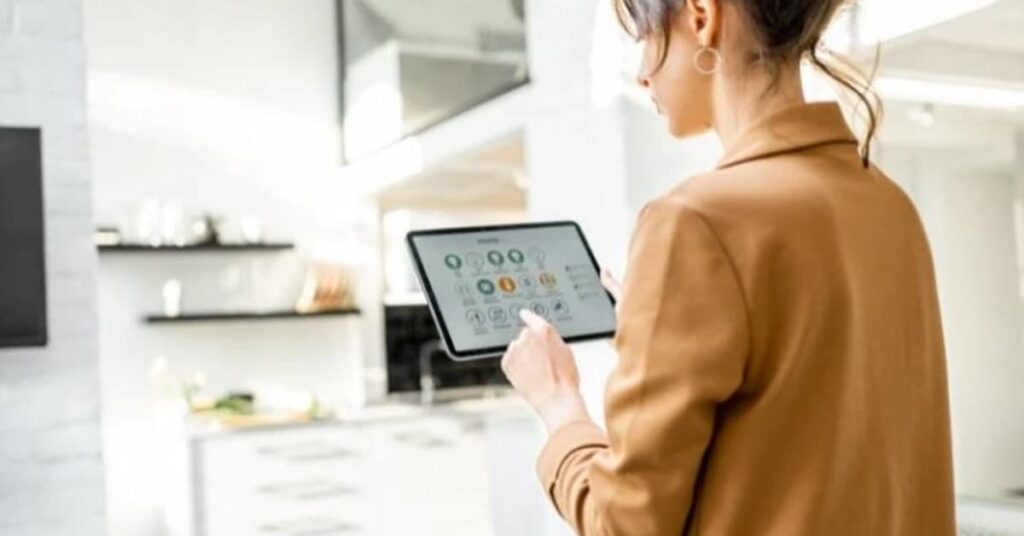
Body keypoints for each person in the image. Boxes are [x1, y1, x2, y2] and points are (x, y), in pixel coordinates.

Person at [500, 0, 957, 534]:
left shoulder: (693, 222)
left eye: (646, 37)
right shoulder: (890, 205)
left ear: (701, 15)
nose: (643, 73)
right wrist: (663, 335)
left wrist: (559, 406)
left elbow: (625, 523)